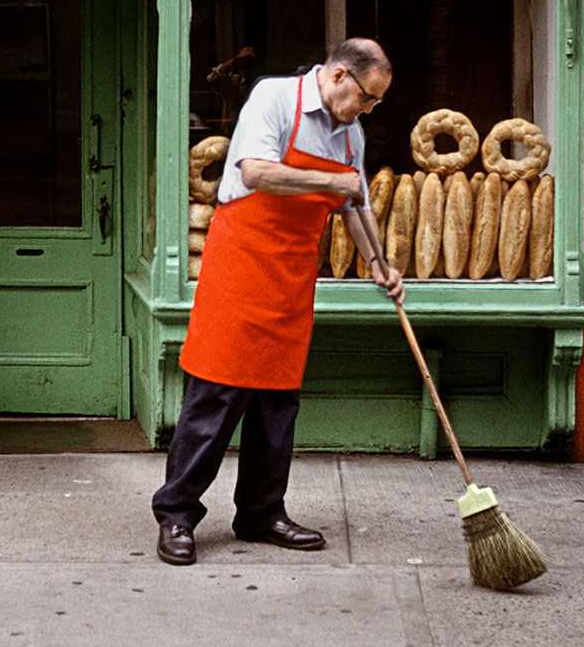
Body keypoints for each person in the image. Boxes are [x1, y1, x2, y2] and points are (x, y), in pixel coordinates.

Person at [152, 37, 405, 566]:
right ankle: (176, 513)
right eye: (367, 97)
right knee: (215, 398)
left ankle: (261, 513)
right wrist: (333, 179)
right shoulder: (274, 99)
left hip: (292, 275)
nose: (368, 109)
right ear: (339, 75)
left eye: (375, 103)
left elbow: (353, 205)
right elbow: (256, 172)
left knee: (276, 404)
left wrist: (380, 264)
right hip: (242, 264)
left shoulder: (350, 134)